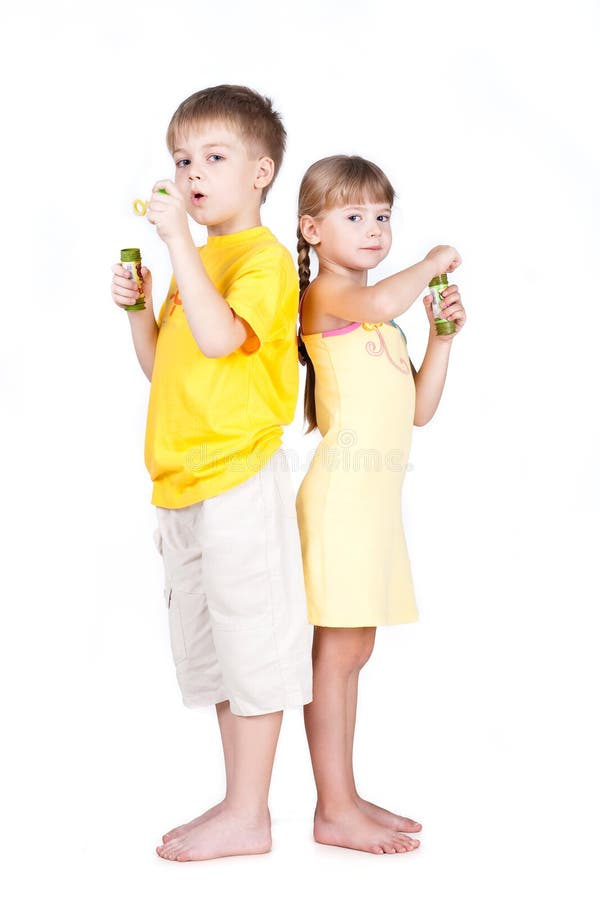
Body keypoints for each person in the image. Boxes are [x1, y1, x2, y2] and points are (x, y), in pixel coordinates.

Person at [110, 85, 312, 863]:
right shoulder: (201, 259)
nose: (193, 173)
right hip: (181, 483)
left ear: (261, 172)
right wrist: (140, 310)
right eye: (182, 159)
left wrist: (177, 250)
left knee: (254, 647)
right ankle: (239, 804)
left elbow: (225, 338)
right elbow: (166, 368)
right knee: (217, 652)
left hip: (236, 477)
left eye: (215, 158)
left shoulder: (258, 259)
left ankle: (249, 813)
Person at [295, 155, 466, 855]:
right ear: (312, 229)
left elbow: (419, 409)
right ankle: (333, 808)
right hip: (341, 504)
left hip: (372, 509)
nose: (373, 229)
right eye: (354, 215)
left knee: (354, 652)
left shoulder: (384, 325)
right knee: (333, 659)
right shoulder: (330, 299)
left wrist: (443, 340)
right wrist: (430, 261)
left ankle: (345, 794)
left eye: (382, 216)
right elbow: (379, 301)